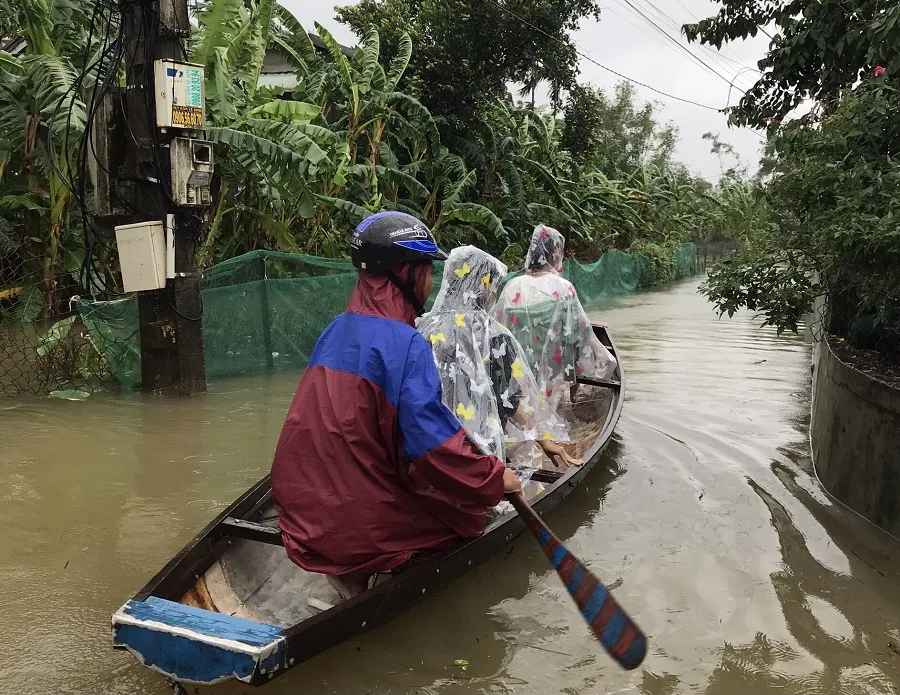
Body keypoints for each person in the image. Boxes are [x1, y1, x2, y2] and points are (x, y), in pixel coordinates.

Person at [271, 212, 521, 601]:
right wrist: (492, 479)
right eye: (426, 271)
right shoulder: (406, 344)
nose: (431, 282)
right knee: (468, 518)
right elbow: (434, 449)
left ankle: (349, 575)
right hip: (350, 522)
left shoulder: (335, 329)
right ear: (404, 273)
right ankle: (373, 565)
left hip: (298, 513)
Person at [417, 245, 581, 472]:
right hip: (476, 456)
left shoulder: (421, 326)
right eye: (493, 286)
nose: (494, 294)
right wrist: (544, 440)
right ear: (483, 288)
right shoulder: (491, 333)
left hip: (424, 449)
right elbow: (509, 401)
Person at [495, 225, 617, 411]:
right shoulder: (563, 288)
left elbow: (496, 328)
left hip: (518, 367)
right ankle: (573, 398)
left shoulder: (512, 286)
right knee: (575, 346)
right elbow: (580, 333)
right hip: (553, 367)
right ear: (555, 255)